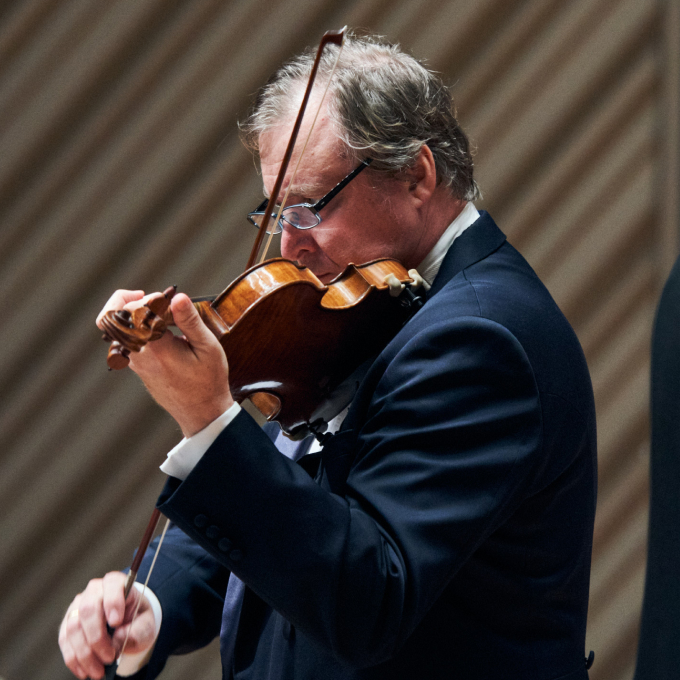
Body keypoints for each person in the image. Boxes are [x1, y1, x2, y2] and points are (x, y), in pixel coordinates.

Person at [59, 35, 597, 680]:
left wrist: (207, 416)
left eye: (311, 205)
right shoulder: (376, 298)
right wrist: (153, 603)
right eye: (276, 210)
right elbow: (293, 481)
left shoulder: (480, 339)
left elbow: (370, 600)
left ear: (416, 176)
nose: (289, 243)